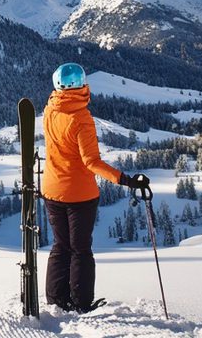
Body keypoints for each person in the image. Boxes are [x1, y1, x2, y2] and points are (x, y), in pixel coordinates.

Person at [41, 62, 149, 313]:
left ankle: (57, 300)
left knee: (60, 246)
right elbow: (91, 162)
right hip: (79, 194)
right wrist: (125, 180)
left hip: (52, 189)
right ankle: (81, 303)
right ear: (82, 84)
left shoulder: (49, 110)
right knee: (80, 250)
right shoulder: (81, 118)